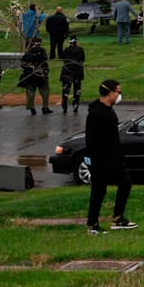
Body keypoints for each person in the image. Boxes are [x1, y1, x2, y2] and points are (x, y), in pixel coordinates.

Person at [85, 79, 137, 234]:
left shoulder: (109, 110)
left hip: (114, 158)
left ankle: (118, 218)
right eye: (118, 92)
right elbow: (92, 140)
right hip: (101, 160)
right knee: (99, 191)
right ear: (110, 92)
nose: (120, 95)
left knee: (126, 182)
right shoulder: (96, 113)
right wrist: (98, 161)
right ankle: (92, 224)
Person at [18, 36, 51, 115]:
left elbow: (23, 64)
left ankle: (31, 108)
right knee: (45, 90)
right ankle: (45, 107)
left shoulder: (28, 52)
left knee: (30, 91)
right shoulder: (42, 51)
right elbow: (44, 61)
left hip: (29, 75)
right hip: (40, 75)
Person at [59, 36, 86, 114]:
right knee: (77, 88)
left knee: (66, 89)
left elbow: (63, 59)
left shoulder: (66, 50)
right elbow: (83, 59)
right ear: (76, 42)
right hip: (77, 71)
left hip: (67, 71)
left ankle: (64, 105)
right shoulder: (80, 50)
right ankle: (75, 105)